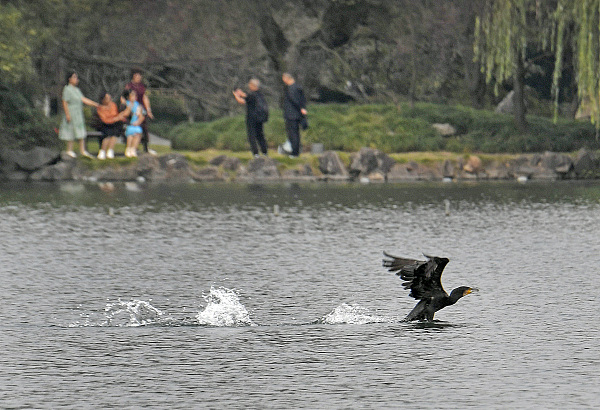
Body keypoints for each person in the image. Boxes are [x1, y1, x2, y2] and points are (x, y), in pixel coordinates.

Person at [58, 72, 99, 158]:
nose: (76, 79)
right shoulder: (67, 89)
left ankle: (82, 150)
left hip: (78, 113)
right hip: (71, 112)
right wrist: (67, 114)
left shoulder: (77, 90)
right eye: (74, 77)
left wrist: (95, 104)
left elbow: (83, 99)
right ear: (69, 79)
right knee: (71, 131)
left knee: (81, 131)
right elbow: (65, 102)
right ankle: (69, 150)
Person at [233, 78, 269, 157]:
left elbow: (242, 100)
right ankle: (265, 152)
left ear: (253, 85)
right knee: (260, 135)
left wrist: (236, 95)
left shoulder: (251, 95)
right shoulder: (260, 95)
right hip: (260, 118)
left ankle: (256, 153)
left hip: (252, 118)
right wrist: (241, 93)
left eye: (250, 84)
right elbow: (245, 96)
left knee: (252, 136)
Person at [124, 68, 156, 155]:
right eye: (136, 76)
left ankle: (146, 147)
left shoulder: (142, 86)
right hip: (132, 108)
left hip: (141, 108)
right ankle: (131, 148)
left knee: (144, 128)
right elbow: (124, 97)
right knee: (132, 129)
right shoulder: (129, 86)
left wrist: (148, 110)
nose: (138, 77)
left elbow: (145, 97)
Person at [96, 91, 131, 159]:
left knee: (115, 133)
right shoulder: (100, 108)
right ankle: (103, 151)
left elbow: (115, 114)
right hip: (105, 124)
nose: (109, 99)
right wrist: (115, 118)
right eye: (107, 98)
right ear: (103, 100)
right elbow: (105, 119)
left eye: (109, 98)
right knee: (107, 134)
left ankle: (110, 151)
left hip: (114, 123)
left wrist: (118, 117)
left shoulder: (113, 105)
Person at [282, 72, 308, 158]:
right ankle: (296, 150)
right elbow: (303, 99)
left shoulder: (290, 89)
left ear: (287, 78)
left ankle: (294, 152)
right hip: (297, 114)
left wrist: (300, 108)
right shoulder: (299, 87)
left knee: (293, 134)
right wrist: (303, 108)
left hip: (291, 114)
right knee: (296, 133)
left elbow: (294, 100)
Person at [122, 89, 145, 158]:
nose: (134, 97)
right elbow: (125, 114)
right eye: (132, 95)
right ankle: (128, 149)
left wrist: (138, 122)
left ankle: (133, 149)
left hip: (136, 124)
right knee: (130, 133)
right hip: (128, 124)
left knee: (137, 132)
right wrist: (130, 106)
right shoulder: (126, 104)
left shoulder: (138, 105)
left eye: (135, 95)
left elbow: (141, 116)